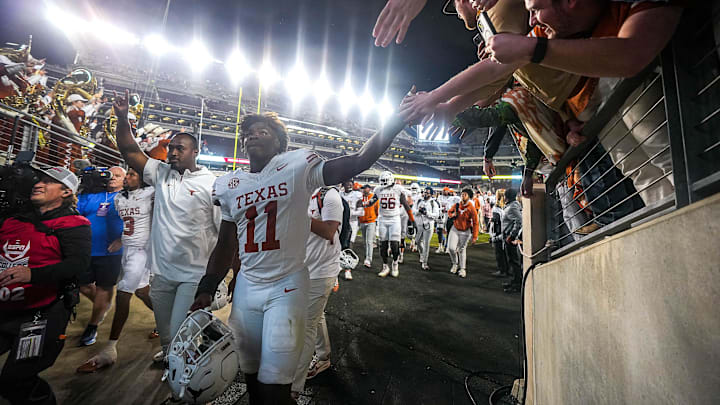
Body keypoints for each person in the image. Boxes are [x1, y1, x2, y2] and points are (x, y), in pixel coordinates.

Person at [191, 110, 409, 405]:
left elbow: (357, 161)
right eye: (249, 132)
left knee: (276, 387)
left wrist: (395, 121)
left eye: (263, 131)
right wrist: (207, 286)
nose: (253, 135)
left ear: (280, 144)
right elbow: (226, 243)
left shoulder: (297, 165)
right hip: (247, 288)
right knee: (252, 380)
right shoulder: (230, 184)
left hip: (287, 287)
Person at [111, 90, 220, 366]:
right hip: (161, 273)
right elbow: (130, 150)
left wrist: (219, 277)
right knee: (168, 337)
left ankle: (192, 382)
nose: (172, 152)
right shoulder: (161, 174)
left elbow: (224, 233)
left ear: (195, 152)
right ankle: (180, 363)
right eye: (170, 147)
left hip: (193, 273)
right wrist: (123, 119)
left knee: (180, 337)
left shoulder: (212, 184)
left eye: (179, 148)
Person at [0, 166, 91, 405]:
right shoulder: (12, 219)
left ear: (65, 192)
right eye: (39, 180)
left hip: (41, 315)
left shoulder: (74, 223)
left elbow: (78, 265)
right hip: (5, 308)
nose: (39, 184)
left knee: (15, 380)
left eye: (49, 182)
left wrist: (33, 275)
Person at [76, 167, 155, 372]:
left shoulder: (150, 194)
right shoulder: (119, 198)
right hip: (127, 251)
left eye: (130, 174)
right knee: (142, 291)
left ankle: (110, 349)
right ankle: (167, 320)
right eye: (125, 174)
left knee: (123, 293)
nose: (127, 178)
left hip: (141, 251)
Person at [291, 186, 343, 398]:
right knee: (314, 317)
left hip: (321, 270)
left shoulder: (328, 195)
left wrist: (294, 214)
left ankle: (293, 386)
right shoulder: (297, 193)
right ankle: (323, 357)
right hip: (302, 266)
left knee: (306, 326)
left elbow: (329, 230)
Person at [76, 166, 126, 347]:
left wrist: (122, 239)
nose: (113, 178)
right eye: (111, 174)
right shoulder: (90, 196)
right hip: (86, 250)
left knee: (105, 288)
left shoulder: (126, 198)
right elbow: (75, 214)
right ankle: (103, 306)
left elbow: (137, 222)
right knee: (82, 285)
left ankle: (93, 325)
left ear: (124, 179)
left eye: (118, 175)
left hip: (110, 253)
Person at [367, 171, 413, 278]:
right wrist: (364, 203)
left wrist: (412, 220)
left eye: (384, 181)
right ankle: (385, 266)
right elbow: (372, 201)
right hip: (383, 219)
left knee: (394, 244)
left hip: (394, 219)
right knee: (382, 245)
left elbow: (407, 203)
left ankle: (395, 264)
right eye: (381, 181)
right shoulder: (378, 189)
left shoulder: (398, 189)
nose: (383, 183)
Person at [446, 188, 480, 278]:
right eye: (462, 194)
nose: (463, 196)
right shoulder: (457, 205)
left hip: (465, 231)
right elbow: (449, 212)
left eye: (465, 194)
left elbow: (476, 222)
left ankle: (462, 269)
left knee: (462, 249)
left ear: (469, 196)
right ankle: (454, 264)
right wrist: (452, 215)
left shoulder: (471, 208)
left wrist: (475, 236)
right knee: (451, 248)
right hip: (455, 228)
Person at [501, 188, 522, 293]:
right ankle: (514, 281)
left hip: (510, 238)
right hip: (508, 236)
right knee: (512, 261)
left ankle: (517, 284)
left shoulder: (512, 207)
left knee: (514, 261)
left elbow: (519, 221)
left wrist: (512, 235)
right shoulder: (512, 205)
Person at [414, 187, 440, 270]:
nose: (425, 194)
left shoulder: (434, 203)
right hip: (420, 224)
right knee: (417, 241)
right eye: (424, 192)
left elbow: (436, 215)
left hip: (429, 225)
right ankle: (422, 254)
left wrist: (426, 213)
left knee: (426, 244)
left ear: (431, 194)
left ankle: (424, 263)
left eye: (427, 193)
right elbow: (413, 210)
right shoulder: (419, 200)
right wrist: (419, 211)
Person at [358, 184, 379, 268]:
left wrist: (376, 219)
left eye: (365, 188)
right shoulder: (360, 198)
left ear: (369, 189)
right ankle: (367, 257)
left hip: (371, 221)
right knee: (365, 241)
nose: (364, 190)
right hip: (362, 221)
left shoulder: (373, 197)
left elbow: (377, 209)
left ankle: (368, 259)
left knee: (369, 241)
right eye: (363, 188)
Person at [340, 179, 364, 253]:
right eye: (347, 184)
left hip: (352, 221)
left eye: (351, 184)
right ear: (343, 185)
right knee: (340, 241)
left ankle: (348, 259)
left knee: (350, 242)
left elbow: (361, 212)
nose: (349, 186)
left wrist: (350, 212)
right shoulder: (340, 194)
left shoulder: (357, 195)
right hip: (341, 221)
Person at [489, 200, 509, 277]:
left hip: (499, 233)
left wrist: (493, 236)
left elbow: (496, 223)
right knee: (504, 253)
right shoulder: (506, 207)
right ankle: (506, 270)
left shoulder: (497, 209)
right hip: (504, 232)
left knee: (499, 253)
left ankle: (502, 270)